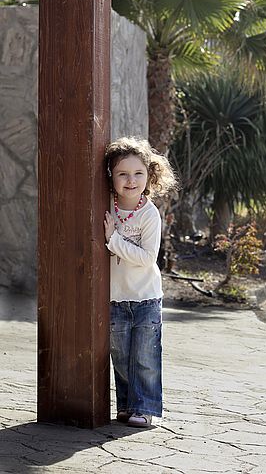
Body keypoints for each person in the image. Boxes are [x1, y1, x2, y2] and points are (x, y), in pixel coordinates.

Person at [103, 136, 177, 427]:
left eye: (138, 173)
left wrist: (113, 239)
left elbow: (147, 258)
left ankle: (144, 409)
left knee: (144, 357)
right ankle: (126, 405)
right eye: (122, 173)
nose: (130, 180)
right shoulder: (106, 205)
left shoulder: (149, 215)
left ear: (150, 176)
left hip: (146, 297)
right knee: (120, 356)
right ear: (111, 176)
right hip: (115, 296)